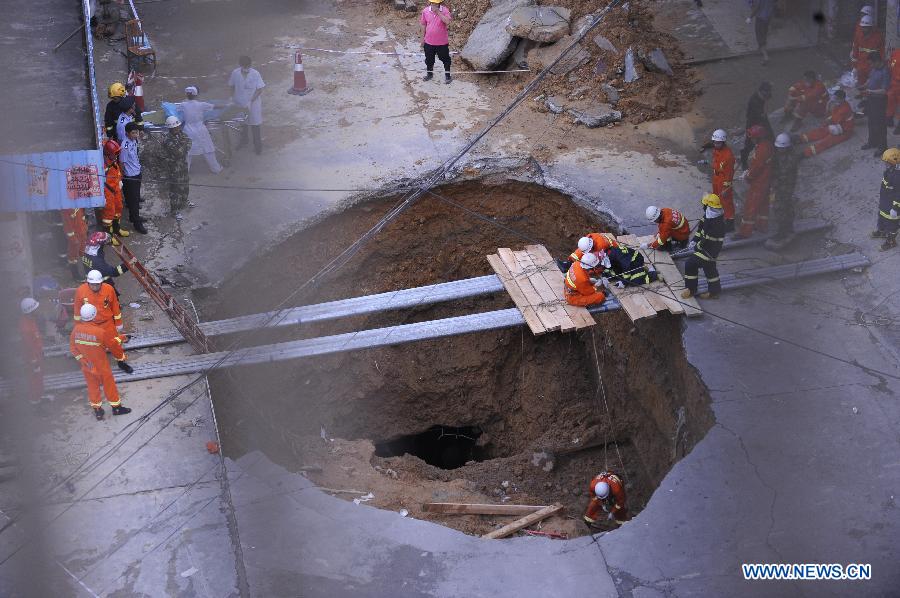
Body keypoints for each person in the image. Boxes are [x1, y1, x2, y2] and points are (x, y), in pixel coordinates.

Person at [70, 303, 132, 421]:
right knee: (109, 386)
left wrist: (83, 361)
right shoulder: (99, 332)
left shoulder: (75, 331)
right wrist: (123, 338)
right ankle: (116, 408)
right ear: (94, 316)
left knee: (93, 387)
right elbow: (112, 344)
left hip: (87, 366)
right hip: (101, 366)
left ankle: (98, 411)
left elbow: (73, 349)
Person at [73, 270, 131, 373]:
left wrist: (118, 323)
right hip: (91, 324)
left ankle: (121, 361)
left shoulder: (109, 289)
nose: (95, 287)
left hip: (107, 323)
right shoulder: (80, 291)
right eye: (92, 285)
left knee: (114, 344)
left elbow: (115, 306)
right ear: (88, 283)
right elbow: (78, 309)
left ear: (101, 282)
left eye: (97, 285)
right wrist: (78, 326)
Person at [682, 194, 725, 300]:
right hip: (706, 248)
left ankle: (691, 290)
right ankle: (714, 292)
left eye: (704, 205)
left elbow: (707, 240)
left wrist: (697, 247)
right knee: (710, 269)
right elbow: (700, 231)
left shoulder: (717, 224)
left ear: (709, 206)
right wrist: (694, 241)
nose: (703, 207)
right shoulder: (709, 215)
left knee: (690, 264)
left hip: (709, 251)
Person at [764, 133, 802, 250]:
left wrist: (773, 179)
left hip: (785, 187)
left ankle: (783, 231)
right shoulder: (780, 154)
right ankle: (786, 230)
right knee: (785, 207)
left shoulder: (791, 158)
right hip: (781, 186)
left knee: (780, 208)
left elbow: (783, 174)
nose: (779, 150)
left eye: (781, 148)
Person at [736, 125, 774, 238]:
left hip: (759, 181)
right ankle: (761, 226)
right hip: (766, 180)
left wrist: (748, 176)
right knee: (763, 204)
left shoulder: (762, 149)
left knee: (750, 205)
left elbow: (757, 166)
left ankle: (744, 232)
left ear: (757, 137)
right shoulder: (767, 145)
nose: (751, 139)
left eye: (753, 137)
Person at [800, 89, 855, 158]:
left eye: (837, 98)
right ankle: (801, 138)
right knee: (821, 131)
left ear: (842, 99)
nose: (835, 100)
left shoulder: (844, 109)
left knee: (826, 142)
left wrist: (827, 121)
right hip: (839, 126)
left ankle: (805, 154)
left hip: (845, 131)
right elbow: (833, 116)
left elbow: (835, 119)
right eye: (835, 98)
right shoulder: (841, 104)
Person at [181, 86, 224, 174]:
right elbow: (215, 106)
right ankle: (216, 169)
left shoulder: (183, 105)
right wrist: (228, 105)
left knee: (187, 152)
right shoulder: (201, 104)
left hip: (188, 130)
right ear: (196, 95)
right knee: (208, 149)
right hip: (200, 130)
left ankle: (184, 172)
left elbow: (174, 111)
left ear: (186, 94)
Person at [228, 56, 265, 155]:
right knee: (243, 123)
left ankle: (258, 146)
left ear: (250, 65)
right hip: (239, 102)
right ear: (240, 65)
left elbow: (260, 89)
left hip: (254, 103)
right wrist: (231, 98)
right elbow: (231, 86)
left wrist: (250, 101)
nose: (246, 68)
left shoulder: (255, 74)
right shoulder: (235, 73)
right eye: (244, 66)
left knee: (255, 124)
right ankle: (244, 140)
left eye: (247, 66)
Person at [702, 129, 737, 231]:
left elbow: (729, 173)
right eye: (715, 142)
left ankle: (730, 224)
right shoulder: (717, 150)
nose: (716, 144)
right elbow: (716, 163)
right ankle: (721, 218)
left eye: (718, 143)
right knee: (717, 199)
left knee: (726, 202)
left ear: (723, 142)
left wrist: (726, 187)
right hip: (717, 178)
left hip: (723, 181)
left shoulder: (728, 156)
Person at [160, 115, 192, 213]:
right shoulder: (168, 140)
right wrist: (184, 145)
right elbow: (179, 153)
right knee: (175, 189)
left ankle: (184, 202)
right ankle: (175, 210)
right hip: (173, 167)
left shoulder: (180, 134)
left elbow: (189, 141)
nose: (178, 128)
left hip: (182, 164)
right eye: (176, 127)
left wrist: (184, 145)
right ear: (171, 128)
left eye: (178, 126)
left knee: (185, 184)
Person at [120, 122, 148, 234]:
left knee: (135, 198)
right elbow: (122, 162)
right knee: (134, 201)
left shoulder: (134, 141)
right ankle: (137, 223)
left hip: (137, 172)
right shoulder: (125, 146)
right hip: (130, 176)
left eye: (136, 132)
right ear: (127, 133)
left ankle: (133, 217)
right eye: (133, 133)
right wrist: (123, 177)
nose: (136, 134)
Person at [100, 138, 129, 242]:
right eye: (114, 154)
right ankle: (109, 237)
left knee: (119, 208)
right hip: (107, 191)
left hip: (116, 188)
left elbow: (117, 171)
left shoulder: (113, 161)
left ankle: (117, 229)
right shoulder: (102, 165)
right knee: (108, 213)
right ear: (108, 154)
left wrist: (119, 180)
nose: (116, 156)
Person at [740, 82, 774, 170]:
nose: (768, 94)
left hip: (760, 120)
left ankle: (772, 152)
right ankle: (744, 160)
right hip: (753, 124)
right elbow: (759, 115)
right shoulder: (755, 101)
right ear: (762, 91)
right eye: (767, 92)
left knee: (770, 136)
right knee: (749, 144)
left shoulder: (761, 96)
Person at [872, 148, 900, 251]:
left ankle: (891, 242)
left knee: (892, 225)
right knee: (881, 217)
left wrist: (895, 208)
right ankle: (882, 231)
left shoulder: (898, 176)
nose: (885, 164)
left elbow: (899, 194)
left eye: (887, 162)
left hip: (892, 206)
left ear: (893, 162)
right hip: (885, 201)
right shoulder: (890, 170)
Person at [861, 52, 889, 157]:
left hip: (879, 102)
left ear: (877, 62)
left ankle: (882, 147)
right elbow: (870, 79)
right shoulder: (874, 69)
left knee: (880, 125)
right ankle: (872, 142)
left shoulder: (885, 72)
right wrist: (863, 86)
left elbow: (884, 90)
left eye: (871, 63)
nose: (870, 66)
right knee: (871, 122)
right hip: (871, 100)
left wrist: (871, 92)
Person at [18, 297, 44, 407]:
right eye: (35, 309)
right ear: (30, 311)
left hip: (36, 355)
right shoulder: (26, 327)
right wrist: (34, 361)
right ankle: (35, 403)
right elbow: (29, 346)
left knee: (38, 377)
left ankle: (38, 397)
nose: (37, 310)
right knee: (34, 379)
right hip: (32, 358)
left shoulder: (30, 320)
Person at [420, 0, 452, 85]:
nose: (434, 4)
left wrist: (438, 12)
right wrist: (422, 38)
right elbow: (423, 24)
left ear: (439, 3)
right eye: (433, 2)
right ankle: (429, 74)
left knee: (445, 59)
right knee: (429, 60)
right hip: (429, 42)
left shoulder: (445, 10)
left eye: (436, 3)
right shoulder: (425, 11)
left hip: (442, 42)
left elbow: (447, 21)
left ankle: (448, 75)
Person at [851, 14, 884, 88]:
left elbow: (882, 52)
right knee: (861, 84)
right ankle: (862, 96)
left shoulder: (878, 37)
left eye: (866, 28)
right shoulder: (858, 35)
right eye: (862, 27)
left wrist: (879, 66)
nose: (863, 29)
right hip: (861, 64)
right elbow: (855, 50)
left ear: (871, 27)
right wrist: (854, 66)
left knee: (872, 84)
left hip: (872, 64)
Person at [61, 208, 87, 281]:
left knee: (83, 251)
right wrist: (72, 238)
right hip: (75, 235)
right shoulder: (66, 208)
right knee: (73, 256)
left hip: (82, 232)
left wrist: (85, 229)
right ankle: (75, 275)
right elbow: (67, 225)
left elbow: (82, 217)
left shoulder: (78, 204)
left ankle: (86, 271)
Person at [746, 0, 775, 65]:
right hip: (767, 18)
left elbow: (757, 7)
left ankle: (766, 57)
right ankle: (760, 50)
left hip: (760, 19)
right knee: (764, 34)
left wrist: (750, 17)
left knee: (760, 37)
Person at [886, 47, 900, 131]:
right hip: (894, 82)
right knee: (890, 99)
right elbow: (891, 65)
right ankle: (889, 117)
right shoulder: (895, 53)